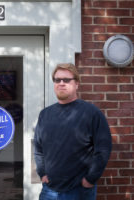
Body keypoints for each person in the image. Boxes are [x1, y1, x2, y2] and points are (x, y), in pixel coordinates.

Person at [34, 63, 112, 200]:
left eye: (66, 80)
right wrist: (42, 173)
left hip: (79, 190)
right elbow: (38, 148)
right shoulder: (45, 114)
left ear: (76, 84)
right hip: (49, 190)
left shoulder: (91, 113)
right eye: (57, 80)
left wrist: (90, 180)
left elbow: (103, 149)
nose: (61, 83)